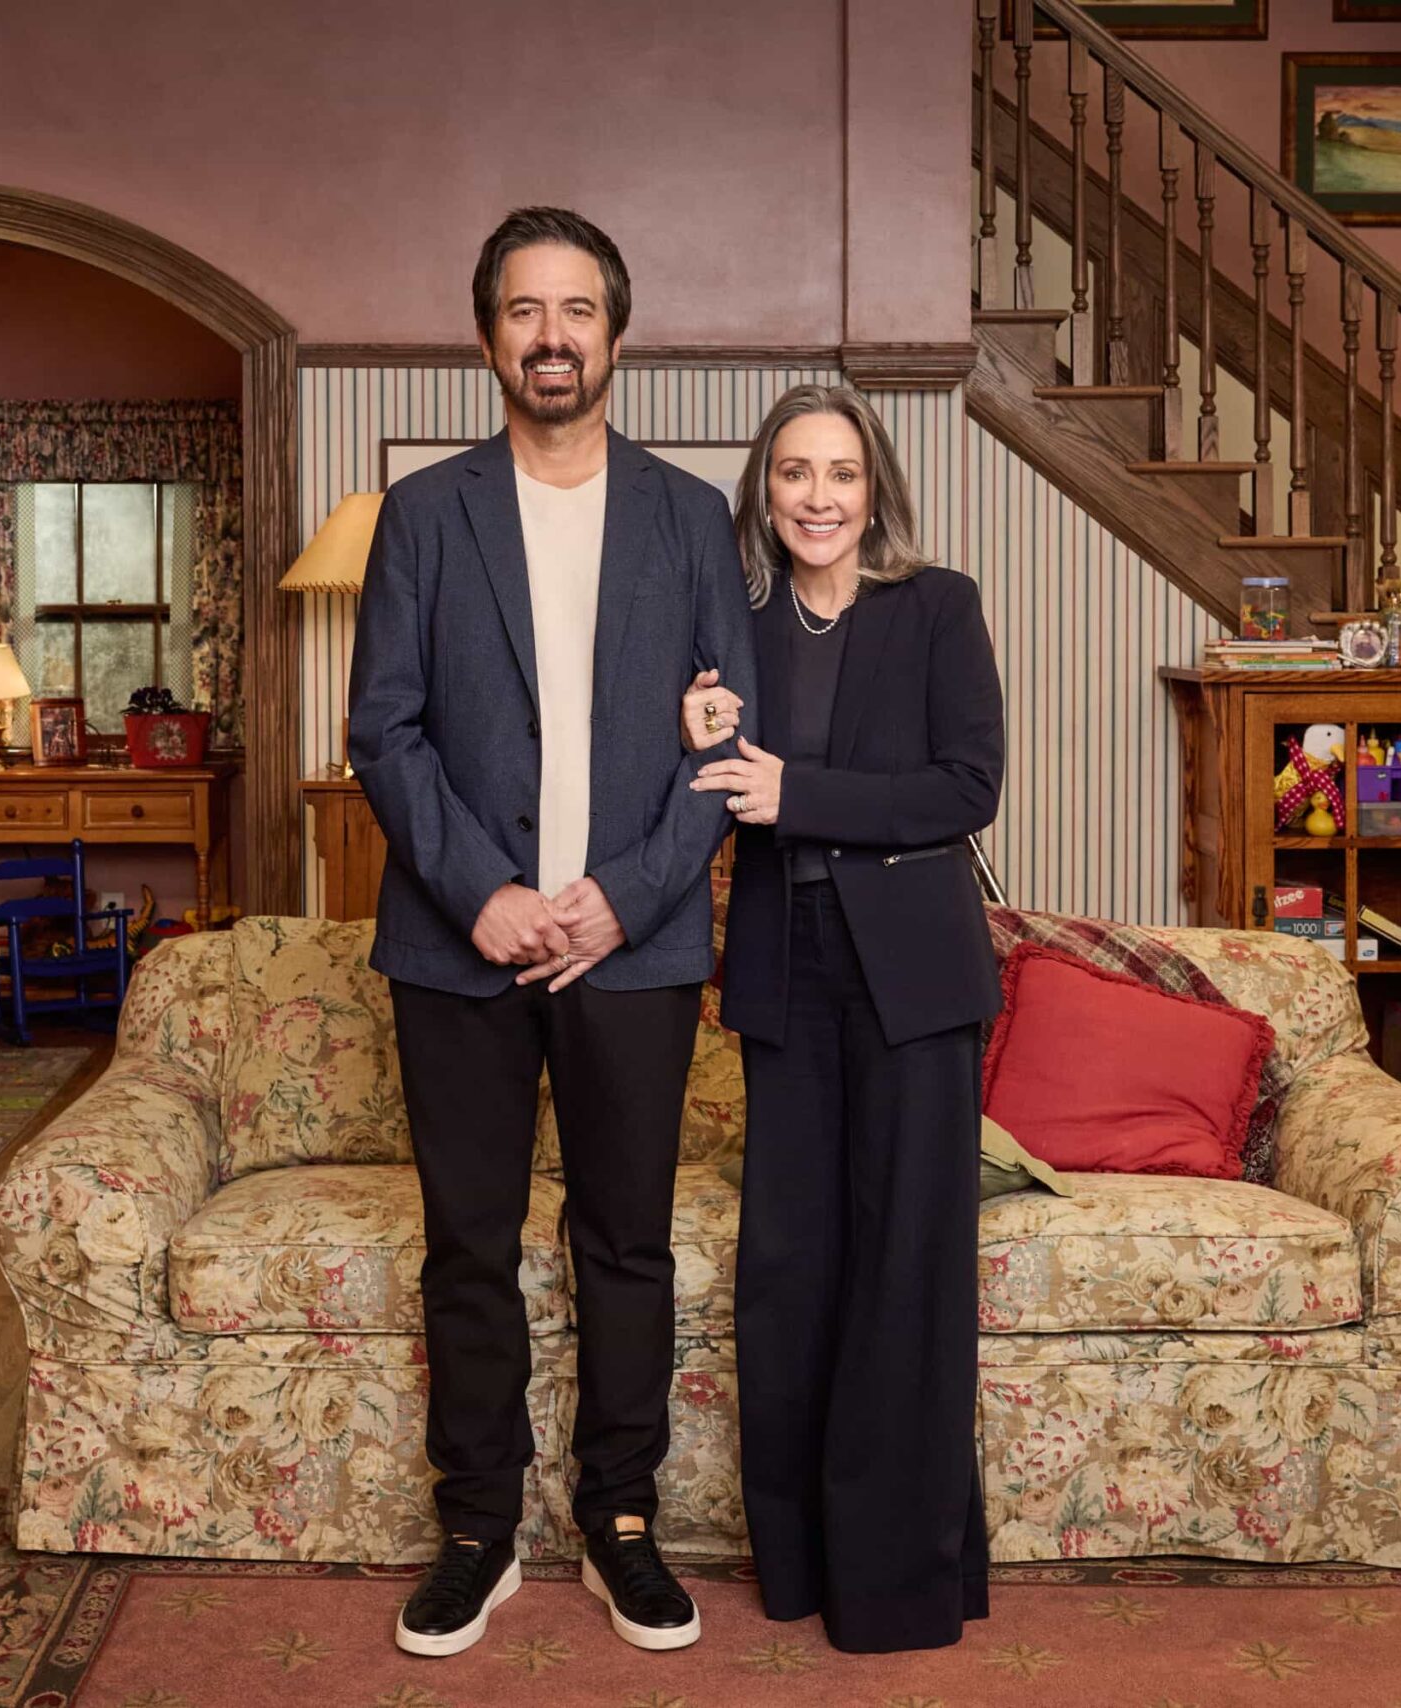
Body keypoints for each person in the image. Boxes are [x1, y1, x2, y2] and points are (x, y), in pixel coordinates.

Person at [347, 206, 756, 1660]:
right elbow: (384, 731)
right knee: (467, 1244)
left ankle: (620, 1521)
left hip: (633, 946)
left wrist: (625, 895)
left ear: (616, 335)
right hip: (458, 945)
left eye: (576, 309)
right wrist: (485, 893)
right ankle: (478, 1531)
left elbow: (728, 743)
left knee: (623, 1243)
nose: (552, 336)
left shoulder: (690, 518)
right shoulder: (423, 513)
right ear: (487, 339)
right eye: (524, 310)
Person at [678, 384, 1004, 1653]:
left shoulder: (937, 605)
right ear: (764, 490)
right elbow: (696, 787)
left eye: (842, 473)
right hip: (786, 968)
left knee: (906, 1268)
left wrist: (800, 792)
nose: (818, 496)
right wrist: (691, 735)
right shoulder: (736, 621)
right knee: (789, 1274)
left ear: (876, 491)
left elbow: (965, 786)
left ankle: (903, 1583)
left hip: (913, 978)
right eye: (795, 472)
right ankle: (801, 1566)